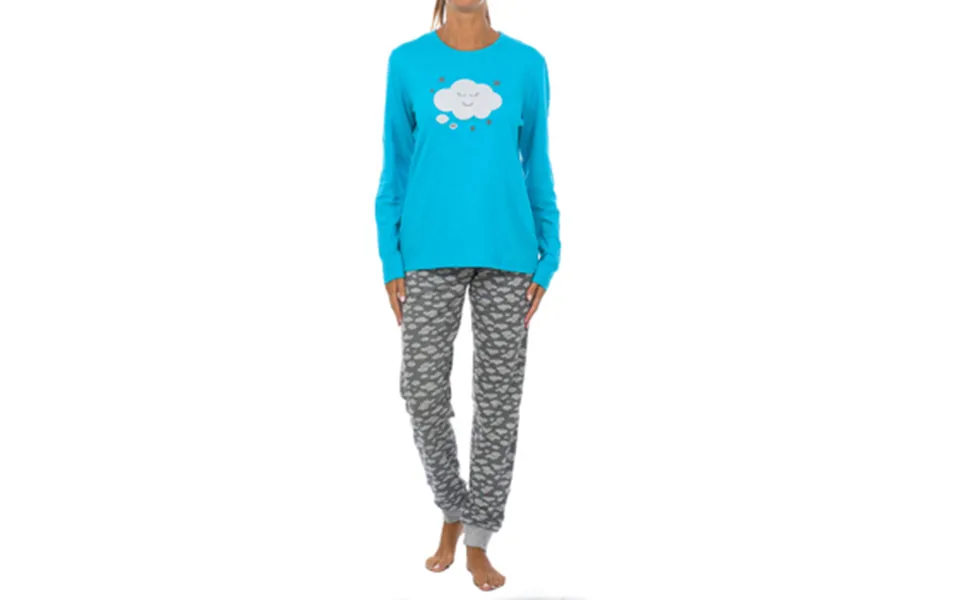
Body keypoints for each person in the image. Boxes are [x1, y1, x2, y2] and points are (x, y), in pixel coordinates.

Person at [374, 0, 560, 592]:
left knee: (499, 402)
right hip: (427, 251)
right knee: (421, 390)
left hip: (511, 253)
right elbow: (395, 166)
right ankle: (453, 507)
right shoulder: (406, 62)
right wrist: (390, 255)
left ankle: (478, 535)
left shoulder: (527, 64)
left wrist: (550, 250)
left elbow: (537, 163)